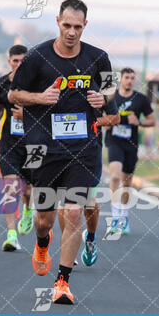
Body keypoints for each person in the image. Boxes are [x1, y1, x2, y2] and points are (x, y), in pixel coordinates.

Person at [8, 0, 111, 305]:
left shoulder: (98, 57)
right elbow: (14, 94)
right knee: (44, 219)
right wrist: (40, 98)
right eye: (66, 25)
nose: (71, 32)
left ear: (85, 26)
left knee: (74, 211)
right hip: (44, 149)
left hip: (83, 149)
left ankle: (62, 282)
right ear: (57, 22)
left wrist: (101, 100)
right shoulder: (38, 56)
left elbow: (108, 92)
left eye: (77, 27)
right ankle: (42, 243)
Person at [58, 100, 119, 267]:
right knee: (65, 207)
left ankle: (90, 239)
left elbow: (115, 118)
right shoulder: (58, 82)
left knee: (90, 205)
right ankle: (69, 247)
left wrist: (93, 122)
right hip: (61, 152)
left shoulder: (98, 87)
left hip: (89, 155)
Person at [0, 44, 35, 251]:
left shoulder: (37, 83)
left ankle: (27, 209)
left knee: (27, 188)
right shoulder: (0, 83)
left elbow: (48, 108)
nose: (18, 64)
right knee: (10, 187)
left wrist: (27, 116)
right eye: (15, 61)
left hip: (33, 142)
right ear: (9, 62)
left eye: (22, 61)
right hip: (9, 142)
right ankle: (11, 235)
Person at [104, 67, 155, 235]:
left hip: (131, 144)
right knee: (115, 176)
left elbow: (151, 120)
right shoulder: (112, 98)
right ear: (121, 79)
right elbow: (101, 119)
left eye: (133, 78)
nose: (130, 81)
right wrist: (111, 121)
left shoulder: (140, 99)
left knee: (127, 182)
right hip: (114, 141)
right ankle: (115, 217)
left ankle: (124, 216)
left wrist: (138, 122)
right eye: (127, 77)